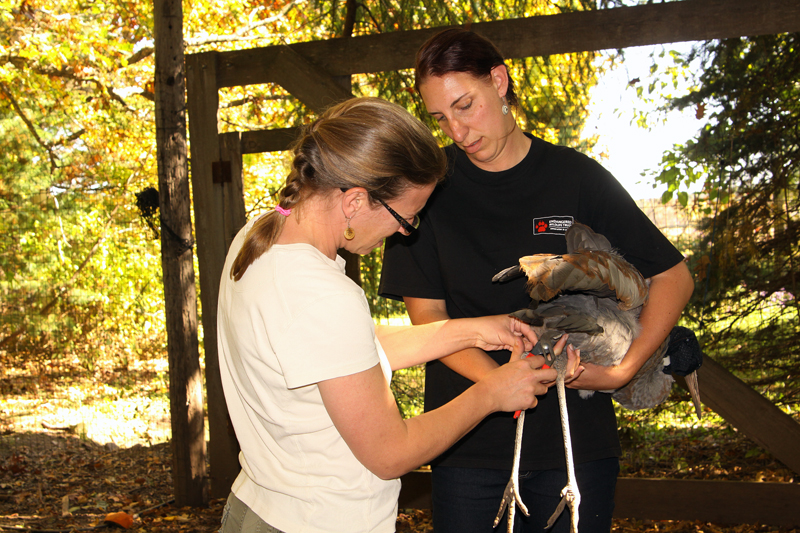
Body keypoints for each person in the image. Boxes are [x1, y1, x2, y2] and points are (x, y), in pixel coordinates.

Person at [216, 97, 581, 533]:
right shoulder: (322, 292)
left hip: (258, 508)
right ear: (354, 201)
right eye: (406, 218)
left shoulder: (258, 237)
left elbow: (340, 352)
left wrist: (470, 332)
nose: (406, 231)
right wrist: (492, 393)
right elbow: (391, 453)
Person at [379, 29, 695, 533]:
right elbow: (429, 322)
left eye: (465, 105)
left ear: (499, 82)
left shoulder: (577, 177)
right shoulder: (426, 190)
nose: (457, 131)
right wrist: (502, 385)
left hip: (575, 444)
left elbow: (673, 275)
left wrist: (622, 371)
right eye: (440, 118)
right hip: (467, 442)